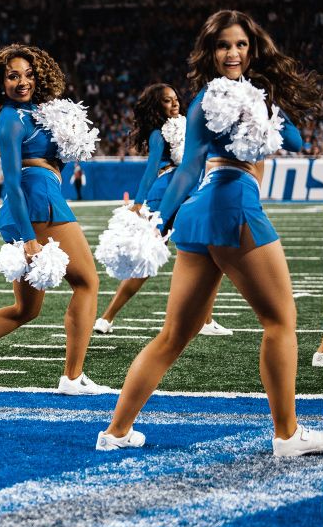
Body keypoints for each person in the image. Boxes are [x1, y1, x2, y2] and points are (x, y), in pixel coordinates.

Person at [98, 10, 323, 457]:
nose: (233, 52)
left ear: (252, 47)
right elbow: (187, 167)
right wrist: (156, 223)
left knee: (173, 336)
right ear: (210, 50)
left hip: (199, 213)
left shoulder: (216, 97)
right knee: (280, 322)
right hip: (233, 203)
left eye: (241, 44)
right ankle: (287, 435)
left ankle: (117, 431)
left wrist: (262, 100)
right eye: (224, 45)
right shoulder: (208, 99)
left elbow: (294, 140)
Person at [0, 44, 109, 395]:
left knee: (25, 310)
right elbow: (11, 178)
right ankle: (72, 377)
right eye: (12, 76)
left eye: (28, 74)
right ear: (0, 83)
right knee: (87, 282)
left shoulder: (40, 113)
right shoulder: (11, 117)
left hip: (36, 200)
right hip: (35, 200)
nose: (22, 81)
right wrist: (28, 237)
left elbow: (58, 162)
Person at [94, 84, 231, 337]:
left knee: (205, 253)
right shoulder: (159, 133)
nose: (175, 103)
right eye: (168, 101)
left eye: (176, 98)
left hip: (189, 190)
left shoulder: (189, 125)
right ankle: (107, 316)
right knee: (152, 258)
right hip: (166, 192)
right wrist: (138, 202)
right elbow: (151, 169)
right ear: (157, 107)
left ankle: (204, 320)